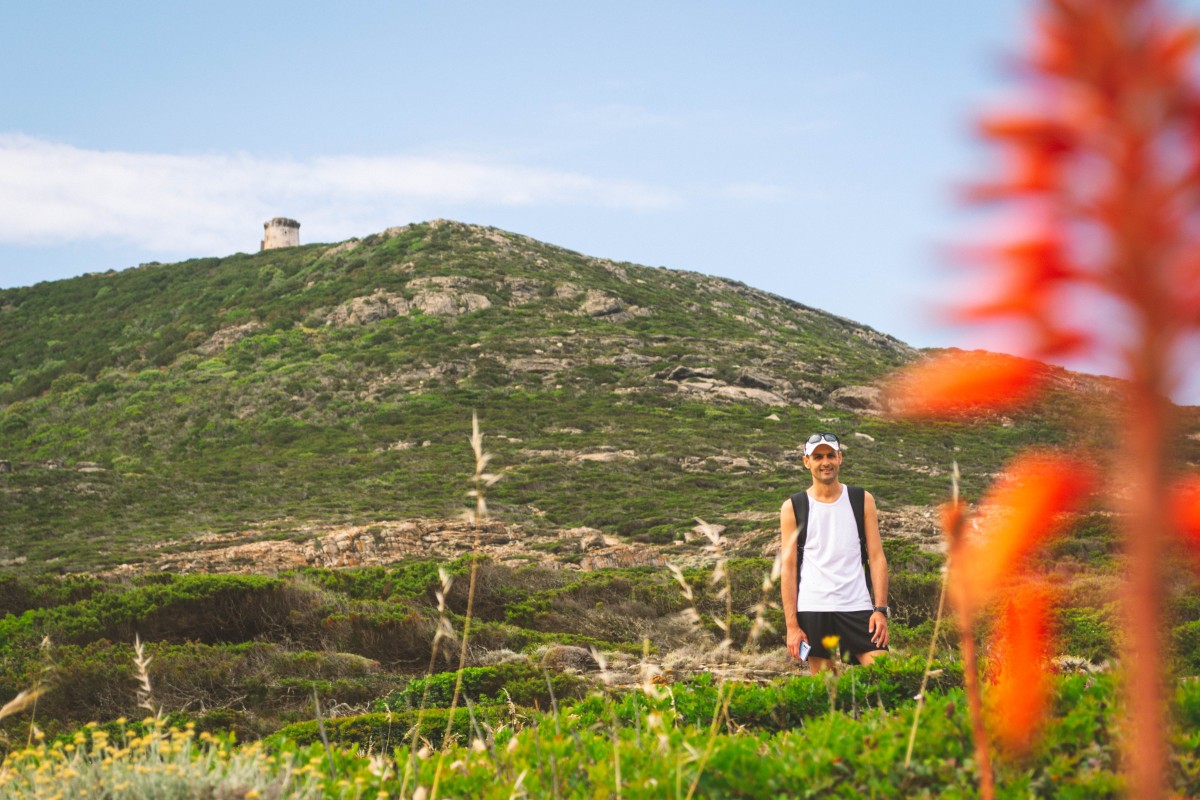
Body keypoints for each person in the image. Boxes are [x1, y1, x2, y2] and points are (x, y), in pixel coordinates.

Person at [780, 432, 889, 673]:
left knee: (887, 675)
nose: (825, 462)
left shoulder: (862, 499)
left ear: (840, 458)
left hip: (857, 605)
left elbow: (877, 556)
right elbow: (787, 567)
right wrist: (792, 625)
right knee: (827, 690)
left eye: (830, 455)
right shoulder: (793, 507)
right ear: (806, 461)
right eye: (818, 457)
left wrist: (880, 610)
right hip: (813, 608)